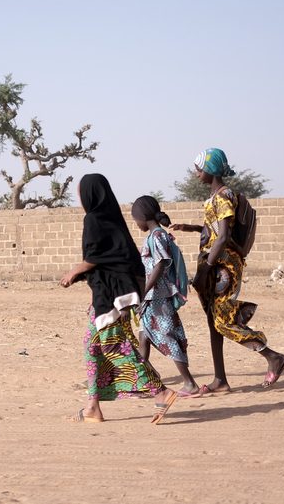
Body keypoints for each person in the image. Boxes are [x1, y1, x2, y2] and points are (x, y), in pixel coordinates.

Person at [60, 174, 178, 424]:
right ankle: (92, 406)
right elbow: (114, 258)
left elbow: (95, 258)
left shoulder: (93, 219)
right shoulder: (112, 219)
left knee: (116, 348)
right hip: (110, 295)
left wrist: (74, 271)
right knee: (91, 346)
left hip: (110, 299)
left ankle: (162, 392)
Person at [171, 148, 284, 393]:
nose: (196, 173)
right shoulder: (216, 196)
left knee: (222, 321)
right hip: (217, 265)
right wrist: (192, 228)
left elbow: (224, 235)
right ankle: (220, 380)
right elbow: (216, 229)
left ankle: (273, 357)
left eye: (199, 168)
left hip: (223, 268)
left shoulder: (223, 196)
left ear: (210, 169)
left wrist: (207, 268)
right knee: (213, 321)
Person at [130, 195, 202, 397]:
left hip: (158, 297)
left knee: (168, 337)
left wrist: (145, 289)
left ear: (143, 216)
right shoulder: (155, 236)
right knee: (144, 337)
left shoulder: (157, 236)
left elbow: (161, 263)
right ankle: (142, 381)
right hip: (151, 298)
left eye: (136, 219)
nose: (136, 224)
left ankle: (189, 383)